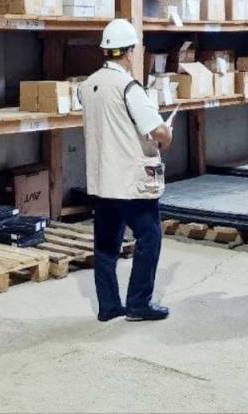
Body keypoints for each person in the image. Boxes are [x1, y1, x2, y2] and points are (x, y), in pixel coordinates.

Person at [80, 19, 174, 322]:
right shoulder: (128, 87)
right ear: (130, 51)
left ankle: (108, 306)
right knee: (150, 237)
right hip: (130, 181)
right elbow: (157, 131)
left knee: (106, 245)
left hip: (102, 181)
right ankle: (138, 303)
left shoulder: (87, 86)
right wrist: (167, 134)